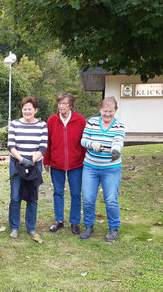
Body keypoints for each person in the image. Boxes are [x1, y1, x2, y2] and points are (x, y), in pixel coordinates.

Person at [80, 97, 126, 242]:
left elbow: (118, 141)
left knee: (111, 199)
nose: (107, 114)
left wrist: (115, 150)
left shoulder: (119, 125)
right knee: (88, 198)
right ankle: (88, 226)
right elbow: (83, 140)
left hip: (111, 169)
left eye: (111, 112)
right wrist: (92, 144)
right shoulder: (92, 122)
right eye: (105, 111)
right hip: (90, 167)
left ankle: (113, 228)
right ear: (100, 109)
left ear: (115, 111)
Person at [43, 93, 86, 235]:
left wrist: (85, 159)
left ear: (71, 105)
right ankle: (59, 220)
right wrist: (46, 160)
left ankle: (74, 222)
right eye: (59, 103)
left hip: (76, 163)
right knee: (58, 192)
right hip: (56, 162)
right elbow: (48, 142)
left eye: (64, 103)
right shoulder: (52, 120)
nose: (61, 106)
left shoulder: (80, 119)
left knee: (75, 193)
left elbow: (84, 141)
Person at [8, 96, 48, 244]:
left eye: (30, 109)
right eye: (24, 109)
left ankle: (31, 227)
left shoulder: (42, 125)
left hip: (34, 164)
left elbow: (43, 147)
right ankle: (14, 227)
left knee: (33, 197)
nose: (27, 111)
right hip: (17, 163)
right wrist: (21, 160)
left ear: (35, 110)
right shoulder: (14, 124)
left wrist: (31, 160)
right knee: (15, 196)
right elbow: (11, 146)